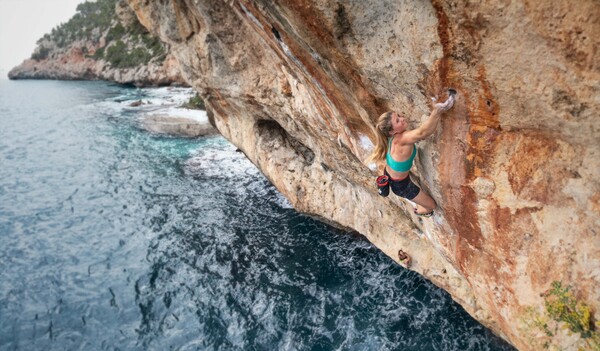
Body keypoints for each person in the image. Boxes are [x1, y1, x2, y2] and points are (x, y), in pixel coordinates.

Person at [368, 91, 455, 217]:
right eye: (398, 121)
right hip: (401, 186)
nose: (402, 119)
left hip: (390, 174)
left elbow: (416, 135)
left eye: (399, 116)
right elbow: (422, 133)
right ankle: (419, 211)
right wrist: (437, 111)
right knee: (431, 206)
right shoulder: (402, 140)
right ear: (392, 131)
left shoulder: (390, 137)